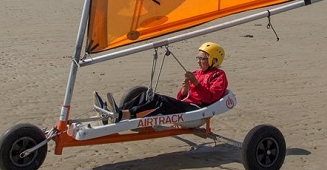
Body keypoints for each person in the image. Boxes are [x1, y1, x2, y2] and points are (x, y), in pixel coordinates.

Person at [96, 42, 229, 121]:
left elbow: (211, 98)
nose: (198, 61)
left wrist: (195, 83)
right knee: (146, 95)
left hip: (197, 110)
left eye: (202, 59)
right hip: (185, 105)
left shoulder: (218, 75)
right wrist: (185, 86)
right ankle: (117, 111)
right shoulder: (196, 73)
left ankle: (126, 114)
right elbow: (181, 97)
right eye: (198, 58)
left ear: (214, 60)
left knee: (160, 101)